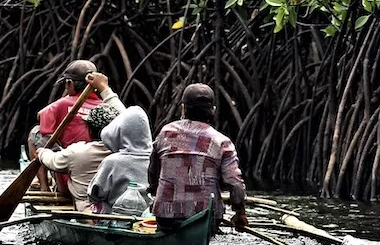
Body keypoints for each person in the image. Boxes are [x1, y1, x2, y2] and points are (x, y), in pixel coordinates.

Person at [147, 82, 248, 233]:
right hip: (207, 216)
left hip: (166, 215)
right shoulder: (222, 142)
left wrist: (155, 193)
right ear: (213, 110)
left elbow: (153, 171)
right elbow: (235, 182)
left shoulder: (165, 133)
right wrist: (240, 213)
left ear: (183, 108)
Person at [27, 60, 124, 191]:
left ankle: (44, 187)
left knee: (35, 132)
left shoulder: (62, 103)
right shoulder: (106, 109)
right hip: (102, 183)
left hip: (70, 181)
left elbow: (41, 116)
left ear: (69, 83)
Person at [35, 103, 116, 212]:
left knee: (34, 133)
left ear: (90, 130)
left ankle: (45, 188)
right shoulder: (123, 153)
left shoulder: (77, 151)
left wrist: (42, 152)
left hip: (86, 210)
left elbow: (51, 161)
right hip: (113, 208)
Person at [88, 104, 153, 214]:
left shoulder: (112, 162)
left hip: (116, 217)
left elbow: (95, 193)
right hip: (148, 216)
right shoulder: (156, 160)